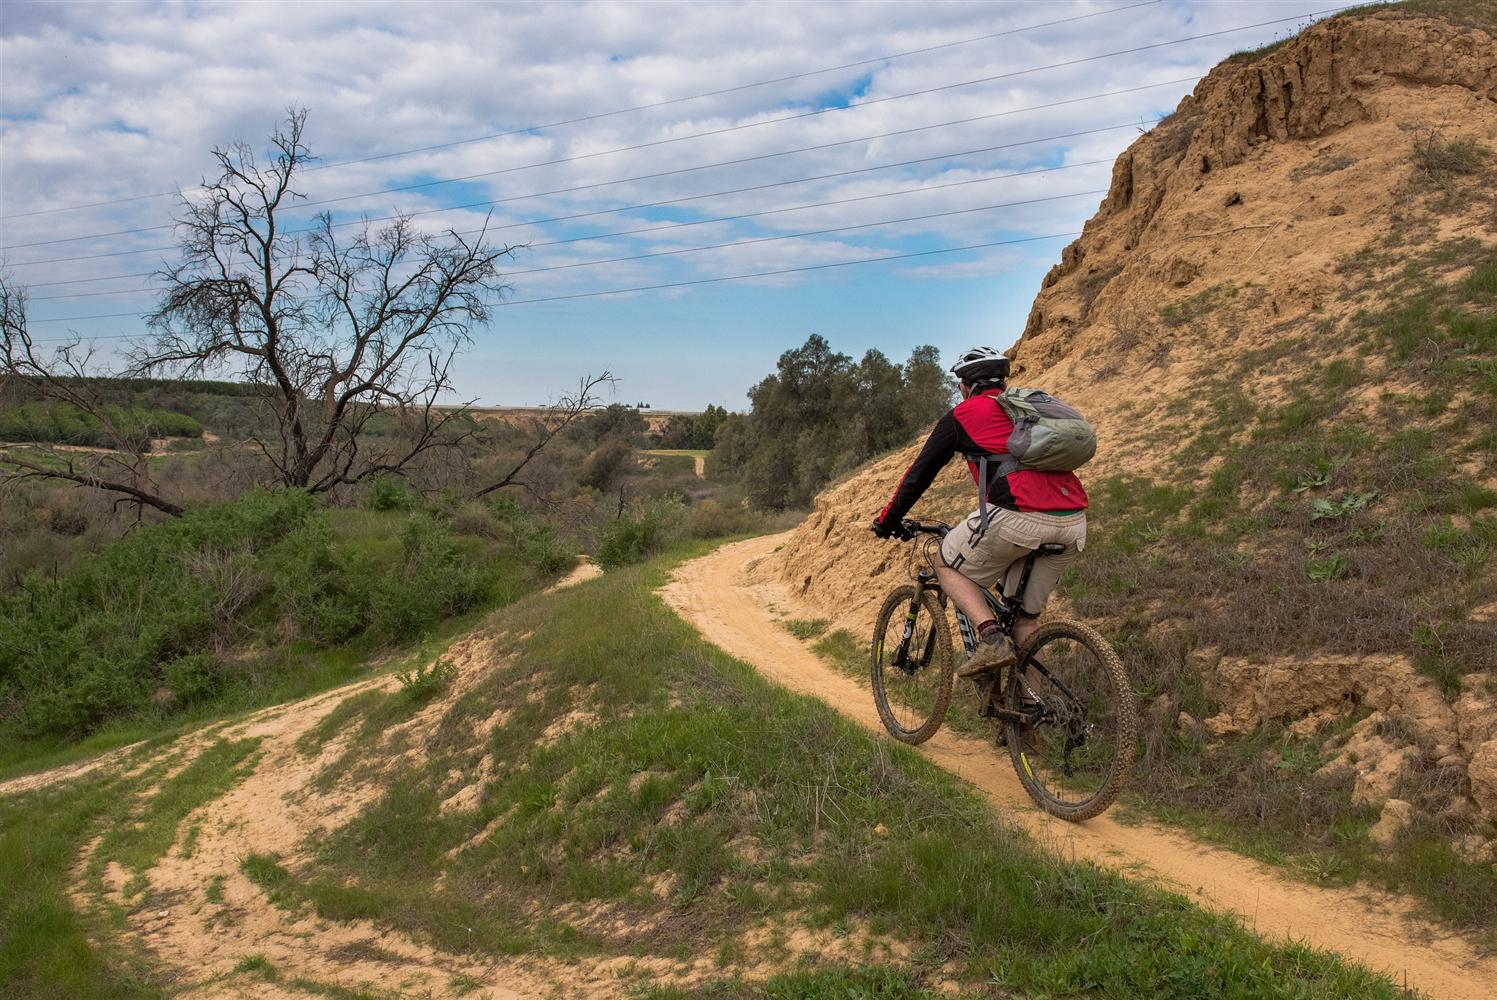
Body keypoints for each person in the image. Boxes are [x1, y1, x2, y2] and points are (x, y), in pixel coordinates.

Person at [870, 346, 1088, 686]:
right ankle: (1031, 718)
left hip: (1018, 515)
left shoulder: (963, 415)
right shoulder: (1026, 411)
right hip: (1073, 519)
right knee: (1025, 623)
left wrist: (888, 520)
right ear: (1000, 381)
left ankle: (990, 639)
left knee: (947, 566)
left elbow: (918, 475)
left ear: (967, 385)